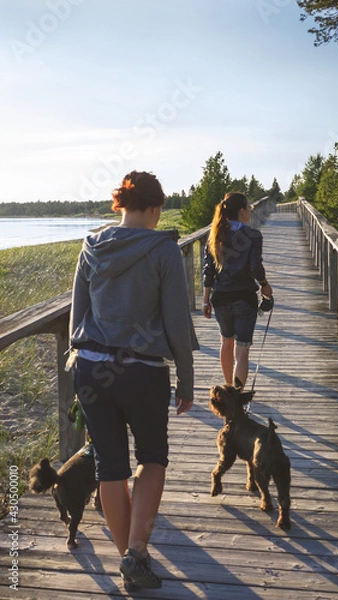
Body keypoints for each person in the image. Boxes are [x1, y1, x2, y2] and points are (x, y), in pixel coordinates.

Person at [69, 170, 198, 591]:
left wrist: (79, 356)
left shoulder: (91, 246)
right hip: (141, 369)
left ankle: (129, 560)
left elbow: (77, 313)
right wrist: (186, 379)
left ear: (120, 205)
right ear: (155, 209)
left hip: (91, 367)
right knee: (152, 458)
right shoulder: (164, 250)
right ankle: (136, 554)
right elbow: (177, 323)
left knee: (110, 468)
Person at [203, 192, 272, 387]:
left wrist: (205, 300)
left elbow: (209, 271)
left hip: (221, 298)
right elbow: (255, 268)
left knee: (226, 342)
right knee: (242, 351)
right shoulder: (253, 235)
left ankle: (228, 390)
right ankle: (237, 396)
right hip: (244, 298)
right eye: (248, 207)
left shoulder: (216, 235)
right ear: (242, 211)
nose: (250, 210)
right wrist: (265, 285)